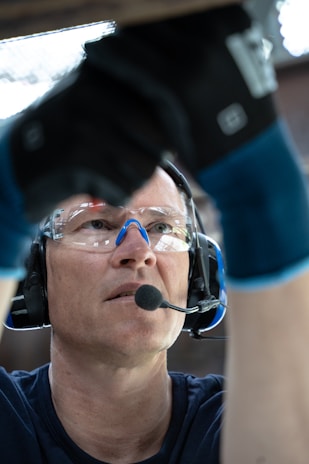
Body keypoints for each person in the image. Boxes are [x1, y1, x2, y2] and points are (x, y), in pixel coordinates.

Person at [1, 2, 309, 463]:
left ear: (200, 273)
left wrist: (259, 192)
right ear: (33, 274)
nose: (137, 251)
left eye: (162, 226)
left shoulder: (233, 419)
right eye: (99, 224)